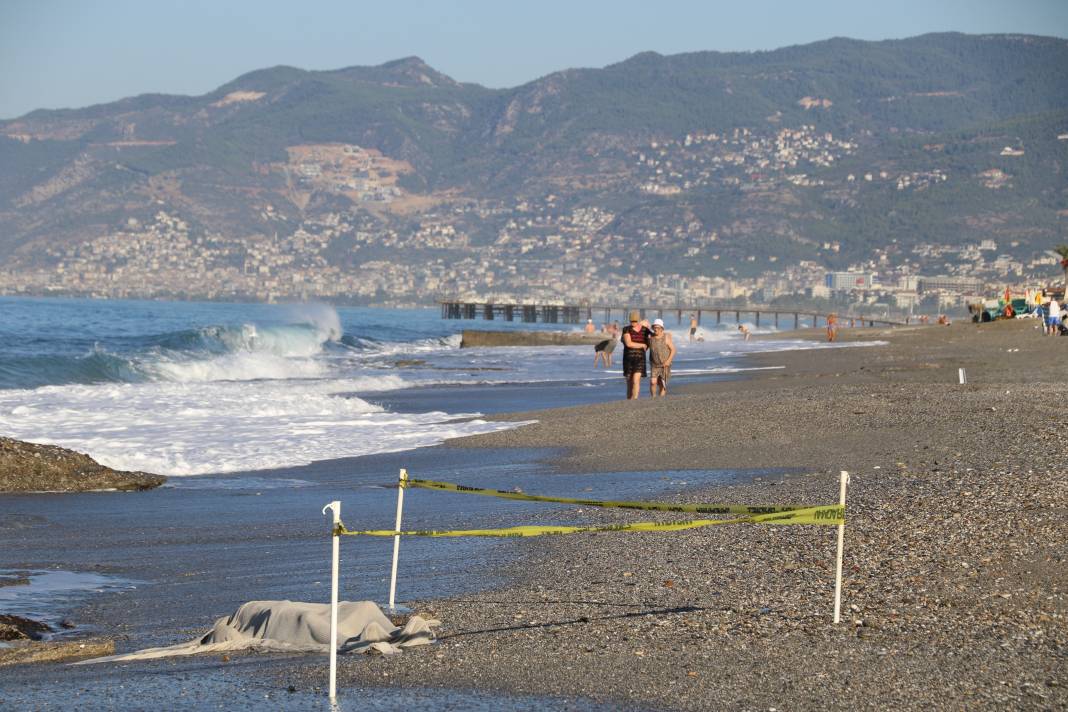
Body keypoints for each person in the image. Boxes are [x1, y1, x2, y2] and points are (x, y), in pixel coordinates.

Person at [621, 311, 651, 400]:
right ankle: (629, 400)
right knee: (629, 382)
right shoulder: (626, 329)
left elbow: (652, 339)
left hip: (640, 358)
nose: (633, 323)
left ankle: (635, 400)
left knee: (636, 380)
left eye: (635, 321)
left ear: (638, 320)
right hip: (628, 359)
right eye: (631, 321)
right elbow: (628, 343)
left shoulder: (645, 330)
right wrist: (642, 345)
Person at [648, 319, 676, 397]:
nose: (656, 329)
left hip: (665, 365)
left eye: (658, 327)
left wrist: (668, 361)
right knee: (653, 382)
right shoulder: (650, 337)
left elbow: (673, 350)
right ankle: (653, 397)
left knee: (662, 384)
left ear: (661, 329)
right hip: (654, 365)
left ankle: (661, 400)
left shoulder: (666, 337)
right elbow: (646, 347)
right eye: (654, 327)